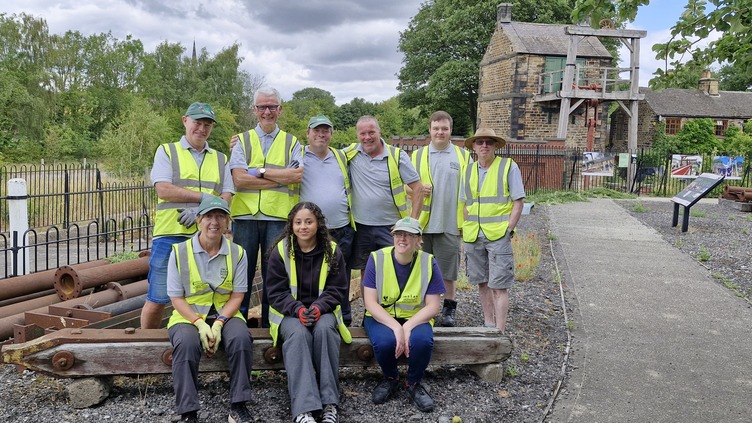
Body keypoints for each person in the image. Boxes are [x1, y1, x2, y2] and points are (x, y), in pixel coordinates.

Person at [141, 102, 233, 329]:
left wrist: (200, 212)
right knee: (158, 297)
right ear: (185, 121)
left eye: (207, 125)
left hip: (207, 239)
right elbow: (163, 189)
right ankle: (145, 345)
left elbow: (227, 195)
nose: (202, 129)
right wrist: (203, 200)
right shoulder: (167, 151)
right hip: (170, 235)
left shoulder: (221, 159)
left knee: (202, 298)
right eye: (197, 123)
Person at [166, 195, 254, 423]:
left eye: (220, 216)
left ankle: (239, 404)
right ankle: (188, 412)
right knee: (186, 344)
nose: (214, 222)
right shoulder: (179, 252)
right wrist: (199, 323)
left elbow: (237, 296)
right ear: (198, 220)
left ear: (227, 222)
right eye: (208, 216)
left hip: (226, 313)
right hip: (188, 316)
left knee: (242, 338)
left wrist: (219, 322)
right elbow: (176, 298)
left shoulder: (238, 253)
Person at [266, 201, 352, 423]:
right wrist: (297, 309)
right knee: (299, 335)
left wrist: (318, 307)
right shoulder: (281, 251)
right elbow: (275, 292)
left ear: (318, 224)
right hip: (289, 314)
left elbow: (338, 289)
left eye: (308, 222)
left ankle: (329, 404)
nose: (303, 227)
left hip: (322, 311)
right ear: (291, 225)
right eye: (298, 222)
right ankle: (303, 409)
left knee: (324, 331)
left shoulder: (332, 251)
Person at [229, 86, 304, 328]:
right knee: (243, 273)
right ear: (255, 110)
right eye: (262, 107)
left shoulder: (292, 142)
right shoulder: (242, 140)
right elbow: (239, 179)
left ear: (280, 109)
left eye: (272, 106)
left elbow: (296, 177)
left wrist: (259, 172)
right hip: (245, 218)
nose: (267, 111)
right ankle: (237, 323)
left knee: (274, 274)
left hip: (278, 218)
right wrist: (278, 178)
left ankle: (271, 325)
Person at [362, 217, 445, 413]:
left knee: (423, 342)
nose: (403, 239)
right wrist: (395, 327)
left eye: (409, 235)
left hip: (415, 317)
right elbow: (370, 302)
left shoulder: (429, 262)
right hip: (381, 315)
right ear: (392, 237)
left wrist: (406, 327)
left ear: (419, 240)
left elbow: (433, 306)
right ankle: (391, 378)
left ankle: (413, 383)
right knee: (384, 343)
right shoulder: (377, 258)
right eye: (399, 234)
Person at [346, 116, 425, 305]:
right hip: (361, 226)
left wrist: (412, 224)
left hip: (391, 227)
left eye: (371, 132)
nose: (367, 137)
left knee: (396, 268)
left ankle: (396, 312)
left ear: (379, 132)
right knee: (367, 271)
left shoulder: (397, 156)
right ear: (357, 134)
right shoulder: (349, 154)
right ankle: (370, 312)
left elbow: (418, 188)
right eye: (362, 133)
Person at [460, 128, 525, 333]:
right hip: (473, 235)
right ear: (474, 146)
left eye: (489, 142)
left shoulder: (507, 166)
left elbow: (518, 201)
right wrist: (466, 229)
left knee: (499, 286)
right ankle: (488, 324)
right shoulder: (468, 170)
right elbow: (464, 203)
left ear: (495, 145)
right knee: (482, 283)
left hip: (498, 235)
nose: (484, 145)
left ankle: (499, 331)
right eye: (480, 142)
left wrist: (509, 229)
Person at [411, 111, 471, 327]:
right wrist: (417, 191)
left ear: (451, 130)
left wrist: (468, 223)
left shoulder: (463, 156)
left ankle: (448, 310)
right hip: (423, 224)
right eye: (436, 128)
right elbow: (405, 188)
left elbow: (470, 191)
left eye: (444, 128)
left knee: (448, 271)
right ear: (430, 130)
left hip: (450, 224)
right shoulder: (417, 156)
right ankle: (422, 308)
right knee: (421, 270)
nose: (440, 132)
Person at [299, 115, 355, 326]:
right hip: (311, 231)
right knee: (312, 277)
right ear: (308, 133)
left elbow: (370, 145)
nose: (321, 135)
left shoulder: (341, 156)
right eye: (316, 130)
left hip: (342, 228)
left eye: (325, 131)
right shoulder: (297, 155)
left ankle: (344, 319)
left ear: (332, 134)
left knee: (342, 277)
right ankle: (312, 318)